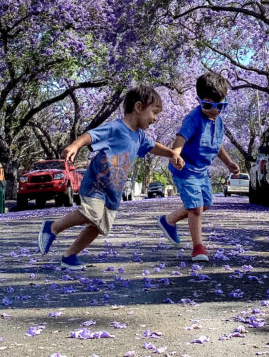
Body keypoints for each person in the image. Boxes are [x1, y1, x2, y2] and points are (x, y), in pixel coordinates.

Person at [37, 85, 184, 270]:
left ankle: (70, 256)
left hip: (113, 192)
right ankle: (53, 227)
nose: (155, 118)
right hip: (96, 184)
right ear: (138, 107)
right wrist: (75, 146)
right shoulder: (116, 128)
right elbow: (91, 135)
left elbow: (153, 146)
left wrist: (172, 153)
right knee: (93, 214)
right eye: (154, 112)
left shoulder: (140, 137)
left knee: (99, 226)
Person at [157, 71, 239, 262]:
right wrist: (175, 154)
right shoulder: (193, 118)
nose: (214, 110)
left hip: (202, 171)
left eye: (220, 106)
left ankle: (168, 221)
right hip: (184, 169)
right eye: (208, 105)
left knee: (205, 204)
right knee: (196, 208)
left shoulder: (218, 121)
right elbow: (181, 137)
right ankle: (198, 248)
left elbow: (217, 145)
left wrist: (228, 163)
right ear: (199, 100)